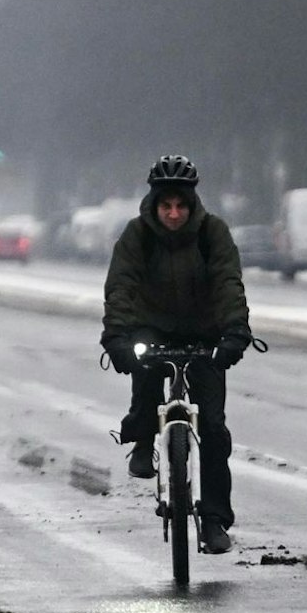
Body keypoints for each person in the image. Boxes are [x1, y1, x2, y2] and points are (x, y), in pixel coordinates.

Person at [100, 154, 255, 554]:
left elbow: (227, 282)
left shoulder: (212, 233)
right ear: (154, 204)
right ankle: (141, 437)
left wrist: (235, 332)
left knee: (216, 430)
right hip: (152, 327)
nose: (173, 214)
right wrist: (117, 337)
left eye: (180, 206)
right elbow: (121, 285)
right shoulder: (137, 235)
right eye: (166, 206)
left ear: (192, 205)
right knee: (144, 378)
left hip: (203, 333)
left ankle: (215, 520)